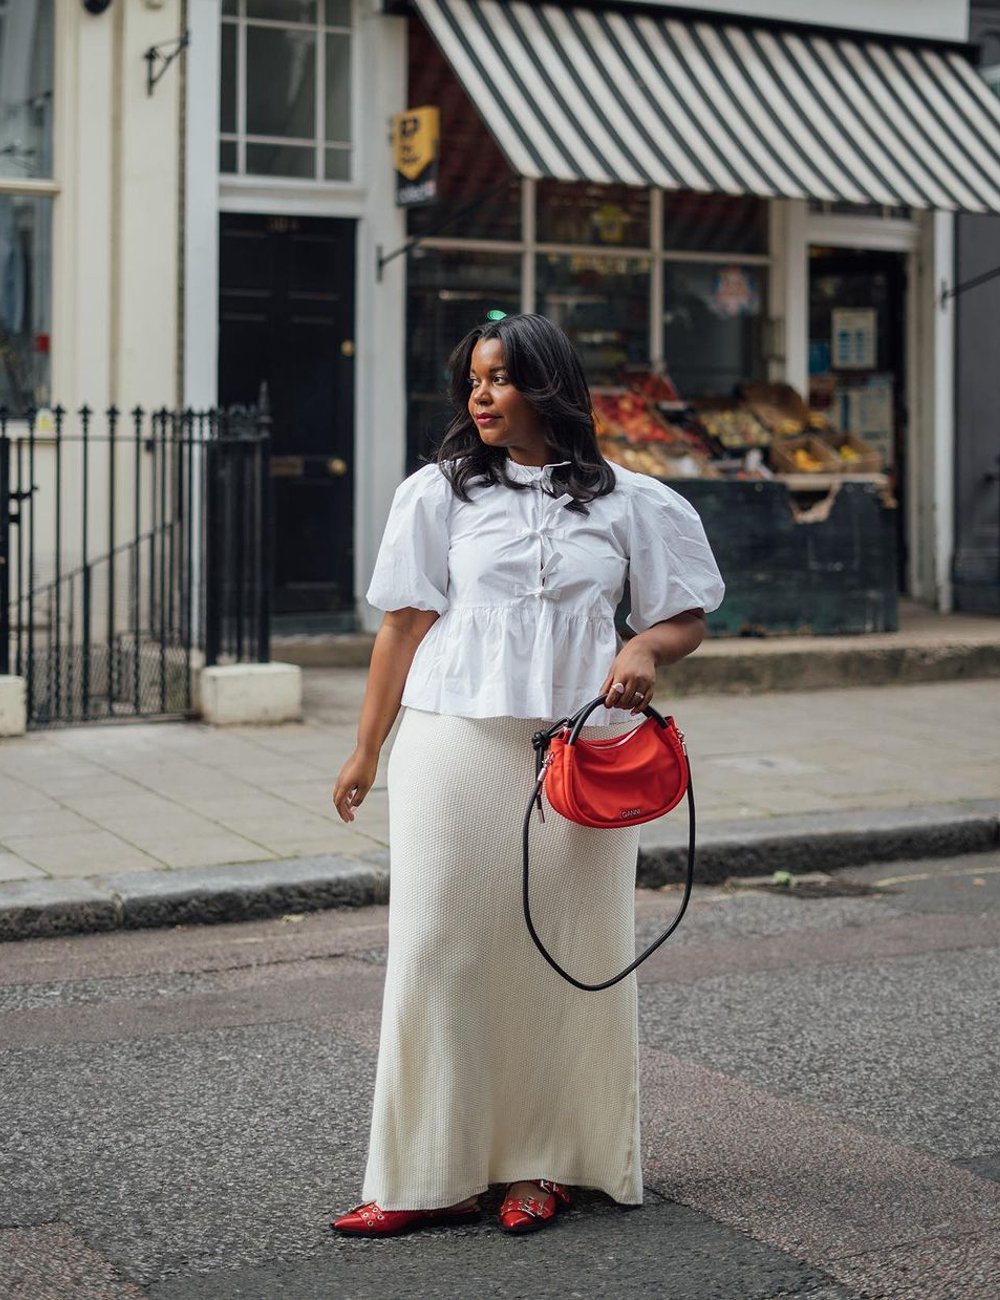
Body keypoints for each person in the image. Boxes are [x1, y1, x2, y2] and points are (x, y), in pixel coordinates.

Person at [330, 313, 723, 1237]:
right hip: (453, 736)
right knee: (437, 946)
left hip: (581, 748)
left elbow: (687, 617)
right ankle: (427, 1173)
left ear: (547, 387)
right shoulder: (438, 495)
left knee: (568, 956)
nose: (481, 394)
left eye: (501, 377)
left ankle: (544, 1164)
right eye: (474, 378)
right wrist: (365, 748)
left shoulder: (633, 502)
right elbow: (402, 625)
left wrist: (643, 646)